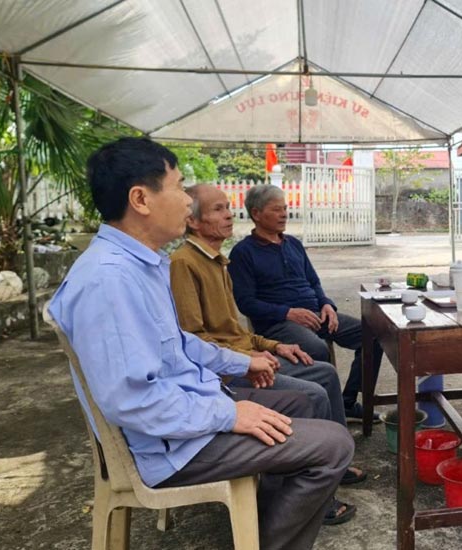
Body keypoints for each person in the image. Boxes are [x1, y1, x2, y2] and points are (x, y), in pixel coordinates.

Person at [48, 137, 354, 550]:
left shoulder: (140, 264)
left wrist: (241, 363)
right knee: (333, 446)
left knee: (305, 400)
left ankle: (262, 522)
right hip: (167, 445)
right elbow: (131, 400)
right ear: (140, 199)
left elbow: (178, 345)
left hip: (187, 412)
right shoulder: (109, 280)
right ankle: (269, 542)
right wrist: (227, 414)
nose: (186, 202)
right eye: (177, 187)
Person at [169, 184, 365, 521]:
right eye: (217, 209)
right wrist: (250, 360)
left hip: (250, 350)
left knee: (326, 370)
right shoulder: (185, 263)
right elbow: (194, 341)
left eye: (228, 207)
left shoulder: (218, 261)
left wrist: (275, 346)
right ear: (193, 221)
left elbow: (236, 331)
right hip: (226, 373)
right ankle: (319, 501)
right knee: (313, 390)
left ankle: (336, 461)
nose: (229, 214)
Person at [228, 184, 384, 422]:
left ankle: (347, 402)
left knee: (373, 335)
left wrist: (327, 304)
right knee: (317, 348)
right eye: (276, 209)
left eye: (285, 208)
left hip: (316, 314)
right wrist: (288, 313)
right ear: (256, 213)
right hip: (278, 324)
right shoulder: (243, 253)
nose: (284, 214)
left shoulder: (293, 244)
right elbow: (246, 303)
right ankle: (322, 413)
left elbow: (313, 281)